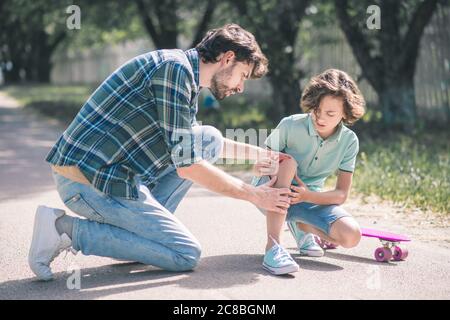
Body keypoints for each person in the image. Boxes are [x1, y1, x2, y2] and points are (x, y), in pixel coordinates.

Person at [28, 24, 292, 281]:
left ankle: (146, 238)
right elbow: (188, 165)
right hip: (87, 181)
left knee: (208, 138)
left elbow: (191, 144)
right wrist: (255, 195)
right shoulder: (174, 70)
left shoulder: (185, 74)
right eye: (243, 76)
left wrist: (263, 155)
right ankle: (64, 230)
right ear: (228, 58)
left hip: (116, 175)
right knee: (184, 253)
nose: (240, 87)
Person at [252, 69, 366, 275]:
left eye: (330, 114)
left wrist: (307, 196)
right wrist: (265, 168)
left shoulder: (350, 141)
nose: (320, 118)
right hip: (269, 192)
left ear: (345, 113)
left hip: (308, 197)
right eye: (316, 110)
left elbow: (341, 194)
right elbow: (262, 163)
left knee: (351, 235)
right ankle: (273, 247)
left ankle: (302, 226)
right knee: (288, 163)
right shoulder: (290, 125)